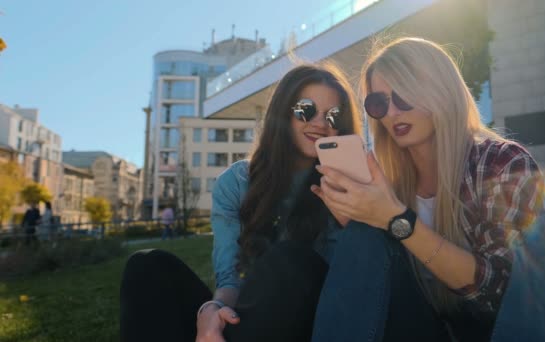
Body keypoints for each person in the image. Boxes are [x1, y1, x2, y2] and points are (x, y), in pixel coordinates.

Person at [311, 37, 545, 341]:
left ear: (440, 90)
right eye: (378, 103)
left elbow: (501, 295)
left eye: (405, 95)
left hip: (500, 332)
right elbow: (379, 292)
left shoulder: (498, 162)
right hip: (433, 329)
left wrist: (398, 221)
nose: (392, 112)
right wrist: (358, 221)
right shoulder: (389, 185)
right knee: (359, 238)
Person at [120, 62, 363, 342]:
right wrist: (214, 310)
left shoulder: (346, 185)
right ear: (282, 112)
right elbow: (230, 278)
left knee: (290, 259)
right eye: (306, 109)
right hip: (244, 318)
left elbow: (349, 283)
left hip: (311, 324)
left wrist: (351, 218)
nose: (320, 123)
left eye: (333, 116)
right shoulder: (235, 183)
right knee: (148, 265)